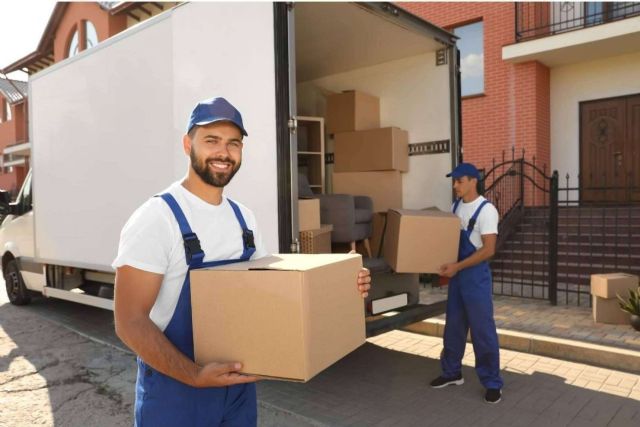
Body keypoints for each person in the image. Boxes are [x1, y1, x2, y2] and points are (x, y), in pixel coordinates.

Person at [113, 97, 372, 426]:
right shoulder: (157, 218)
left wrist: (343, 286)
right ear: (187, 144)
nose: (224, 152)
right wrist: (194, 375)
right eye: (212, 140)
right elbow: (129, 321)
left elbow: (274, 292)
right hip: (175, 395)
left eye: (233, 143)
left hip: (238, 392)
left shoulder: (243, 219)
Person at [430, 162, 503, 404]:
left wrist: (458, 267)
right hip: (457, 277)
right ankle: (452, 373)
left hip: (475, 278)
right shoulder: (456, 206)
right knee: (453, 327)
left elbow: (489, 250)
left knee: (482, 332)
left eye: (459, 181)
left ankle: (492, 383)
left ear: (473, 181)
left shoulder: (487, 211)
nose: (455, 185)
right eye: (454, 181)